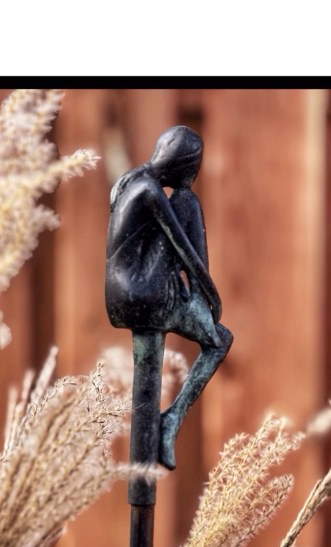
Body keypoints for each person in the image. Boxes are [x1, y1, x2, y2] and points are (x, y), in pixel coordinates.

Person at [105, 125, 233, 470]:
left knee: (187, 202)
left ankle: (171, 420)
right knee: (219, 340)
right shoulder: (150, 191)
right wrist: (211, 295)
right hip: (142, 295)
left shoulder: (130, 180)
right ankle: (172, 418)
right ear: (184, 163)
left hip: (123, 293)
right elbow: (184, 250)